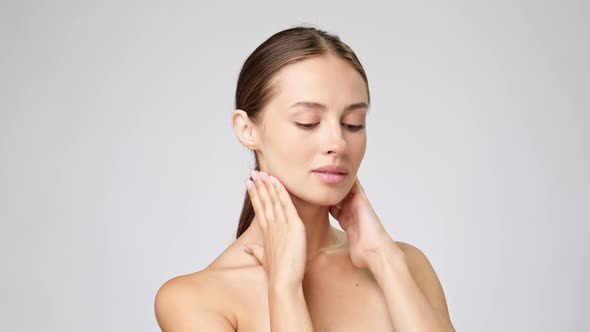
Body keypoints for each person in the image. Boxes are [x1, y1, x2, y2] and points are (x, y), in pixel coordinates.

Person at [154, 25, 455, 331]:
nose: (337, 143)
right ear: (247, 129)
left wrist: (383, 259)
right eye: (308, 122)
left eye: (353, 124)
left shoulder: (405, 265)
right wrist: (284, 288)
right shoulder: (194, 300)